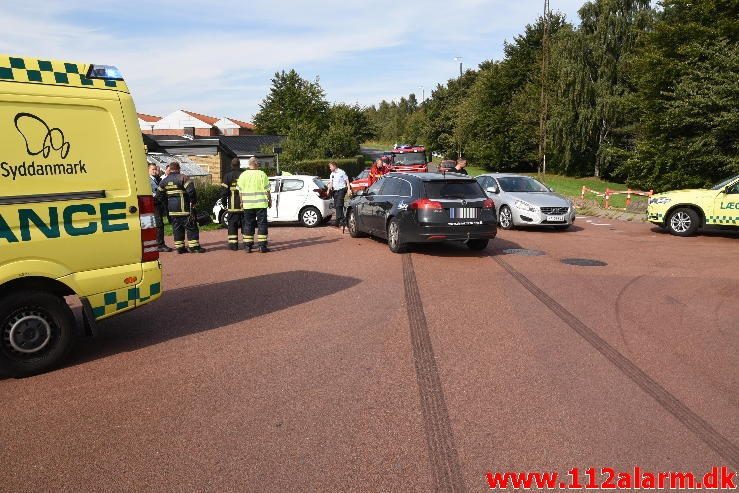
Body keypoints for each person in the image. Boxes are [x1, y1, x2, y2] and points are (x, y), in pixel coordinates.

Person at [156, 161, 206, 254]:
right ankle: (194, 247)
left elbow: (159, 195)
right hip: (184, 209)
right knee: (191, 227)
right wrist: (193, 202)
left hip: (172, 211)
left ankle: (180, 248)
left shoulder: (164, 181)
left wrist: (165, 204)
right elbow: (191, 191)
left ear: (170, 169)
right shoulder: (183, 178)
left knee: (177, 228)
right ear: (179, 168)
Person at [237, 157, 271, 253]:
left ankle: (248, 246)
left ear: (249, 164)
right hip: (261, 204)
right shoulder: (262, 174)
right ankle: (262, 246)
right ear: (256, 164)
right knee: (262, 224)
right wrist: (270, 200)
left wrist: (241, 202)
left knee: (248, 224)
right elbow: (267, 189)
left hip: (248, 204)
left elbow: (240, 191)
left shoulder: (243, 175)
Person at [220, 158, 245, 251]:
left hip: (232, 206)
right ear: (239, 165)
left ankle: (233, 245)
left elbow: (224, 191)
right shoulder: (244, 175)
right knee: (245, 225)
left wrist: (223, 200)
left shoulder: (227, 176)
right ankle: (247, 244)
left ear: (231, 165)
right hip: (244, 206)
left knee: (232, 226)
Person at [148, 164, 172, 252]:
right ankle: (160, 244)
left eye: (155, 169)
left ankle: (156, 243)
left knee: (156, 224)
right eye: (153, 169)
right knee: (159, 224)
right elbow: (152, 192)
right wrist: (157, 196)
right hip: (154, 204)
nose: (155, 171)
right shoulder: (147, 180)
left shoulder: (157, 179)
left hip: (158, 204)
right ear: (148, 170)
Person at [328, 161, 350, 227]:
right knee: (338, 206)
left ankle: (338, 221)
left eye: (330, 167)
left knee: (339, 205)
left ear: (334, 166)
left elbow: (347, 180)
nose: (330, 168)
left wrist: (349, 189)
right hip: (335, 191)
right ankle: (342, 220)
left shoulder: (341, 172)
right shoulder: (332, 174)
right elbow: (331, 183)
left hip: (341, 190)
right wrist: (328, 190)